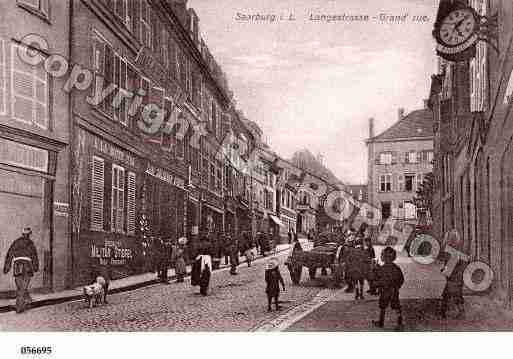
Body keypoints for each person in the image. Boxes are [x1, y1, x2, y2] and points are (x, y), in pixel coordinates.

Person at [3, 227, 39, 313]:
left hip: (17, 266)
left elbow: (9, 254)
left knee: (20, 286)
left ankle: (26, 299)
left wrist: (6, 268)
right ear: (29, 235)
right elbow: (34, 256)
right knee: (23, 287)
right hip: (27, 266)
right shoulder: (31, 243)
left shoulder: (16, 242)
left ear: (22, 234)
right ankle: (19, 306)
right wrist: (36, 267)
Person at [372, 246, 404, 331]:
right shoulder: (396, 268)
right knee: (396, 306)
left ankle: (381, 322)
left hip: (385, 291)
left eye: (382, 255)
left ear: (386, 257)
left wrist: (374, 269)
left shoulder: (382, 269)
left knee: (383, 306)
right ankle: (399, 323)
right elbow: (401, 279)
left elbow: (377, 279)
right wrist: (397, 287)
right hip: (394, 291)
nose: (381, 256)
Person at [440, 253, 467, 319]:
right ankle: (461, 312)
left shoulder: (453, 257)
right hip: (457, 282)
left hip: (452, 282)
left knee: (447, 296)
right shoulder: (461, 258)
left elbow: (447, 273)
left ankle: (444, 313)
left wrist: (443, 270)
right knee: (457, 296)